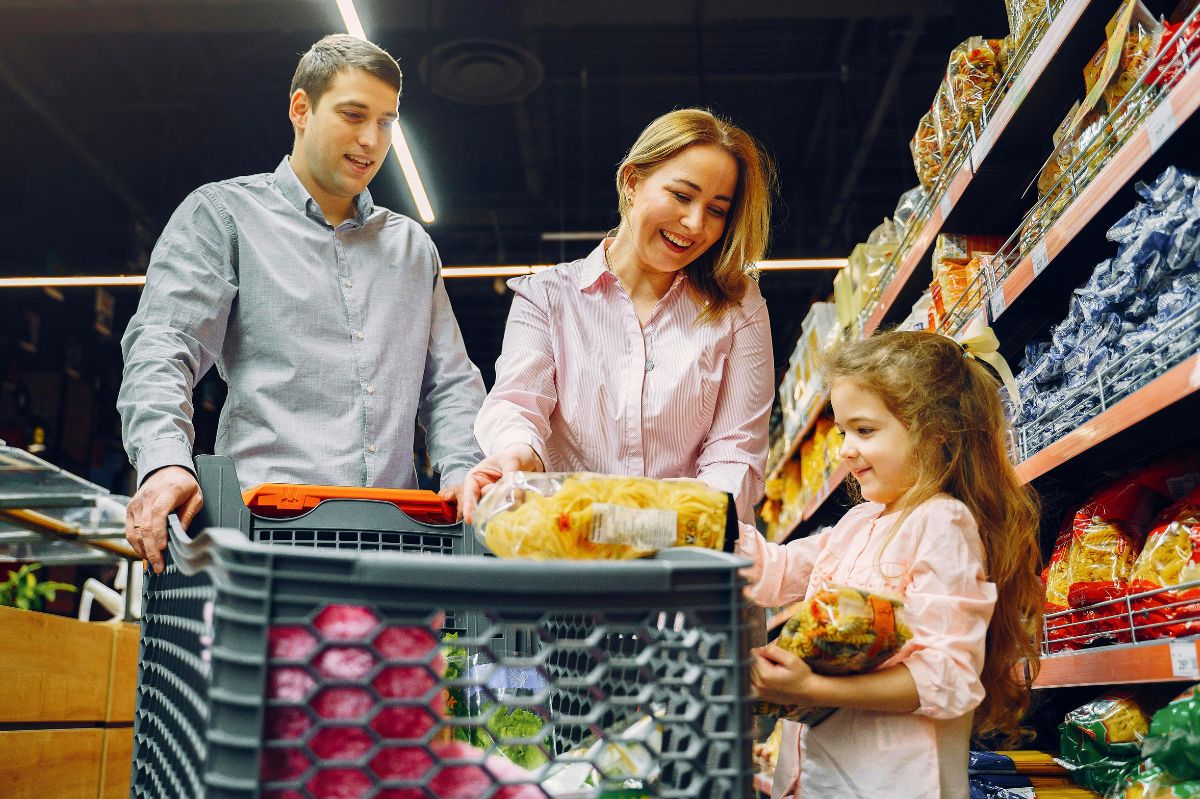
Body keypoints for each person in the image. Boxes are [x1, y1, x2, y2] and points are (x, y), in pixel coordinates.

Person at [118, 34, 486, 573]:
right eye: (353, 114)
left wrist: (465, 472)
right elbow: (163, 346)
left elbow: (450, 383)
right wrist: (164, 462)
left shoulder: (411, 248)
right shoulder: (223, 216)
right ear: (301, 109)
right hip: (262, 542)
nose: (371, 139)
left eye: (386, 121)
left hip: (396, 545)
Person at [738, 330, 1043, 798]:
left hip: (893, 784)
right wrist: (698, 516)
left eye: (864, 431)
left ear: (936, 430)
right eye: (843, 432)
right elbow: (774, 572)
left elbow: (946, 677)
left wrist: (812, 690)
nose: (845, 450)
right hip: (819, 782)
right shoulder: (858, 523)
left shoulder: (943, 523)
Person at [461, 108, 776, 525]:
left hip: (688, 559)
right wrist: (517, 453)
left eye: (717, 210)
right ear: (632, 181)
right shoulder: (547, 297)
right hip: (571, 548)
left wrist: (667, 525)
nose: (696, 223)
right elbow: (518, 402)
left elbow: (736, 450)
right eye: (682, 195)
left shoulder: (738, 307)